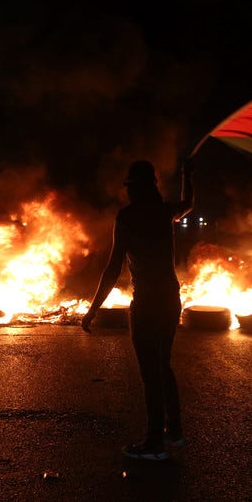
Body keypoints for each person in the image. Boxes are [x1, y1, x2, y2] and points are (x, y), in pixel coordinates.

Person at [81, 157, 194, 461]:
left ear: (136, 188)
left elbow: (113, 268)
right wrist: (187, 173)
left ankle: (155, 445)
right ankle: (176, 433)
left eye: (130, 186)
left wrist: (93, 310)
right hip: (170, 299)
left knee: (151, 372)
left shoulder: (128, 217)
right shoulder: (165, 211)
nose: (128, 192)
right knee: (164, 364)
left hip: (146, 304)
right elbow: (189, 202)